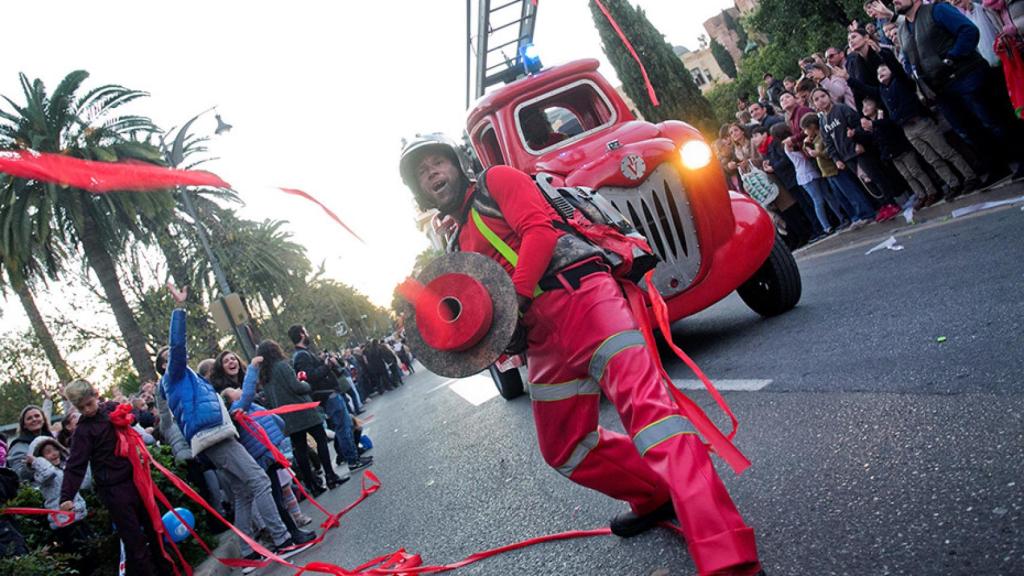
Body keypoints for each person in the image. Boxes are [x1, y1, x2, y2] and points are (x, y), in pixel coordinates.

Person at [398, 134, 764, 576]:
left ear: (459, 165)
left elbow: (539, 230)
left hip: (585, 300)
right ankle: (653, 493)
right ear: (419, 191)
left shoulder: (497, 181)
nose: (434, 172)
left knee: (655, 421)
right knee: (563, 446)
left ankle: (729, 555)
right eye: (423, 172)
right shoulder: (455, 243)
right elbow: (478, 319)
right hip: (542, 338)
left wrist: (514, 297)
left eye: (438, 163)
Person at [156, 284, 305, 562]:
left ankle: (248, 553)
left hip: (218, 437)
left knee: (243, 493)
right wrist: (179, 309)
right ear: (165, 366)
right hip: (214, 438)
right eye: (168, 359)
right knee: (260, 481)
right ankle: (282, 539)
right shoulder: (173, 378)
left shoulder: (191, 379)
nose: (176, 358)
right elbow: (177, 346)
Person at [893, 0, 1024, 180]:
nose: (894, 1)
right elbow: (907, 58)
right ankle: (997, 166)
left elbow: (968, 31)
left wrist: (951, 58)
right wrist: (912, 71)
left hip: (965, 75)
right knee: (969, 130)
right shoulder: (903, 30)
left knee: (993, 120)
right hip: (939, 89)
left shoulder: (937, 10)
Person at [59, 380, 169, 576]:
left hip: (136, 478)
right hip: (113, 489)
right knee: (134, 540)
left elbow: (134, 420)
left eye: (89, 403)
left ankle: (167, 570)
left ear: (96, 395)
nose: (87, 410)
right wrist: (66, 496)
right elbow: (76, 466)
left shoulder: (110, 409)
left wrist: (127, 416)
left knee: (155, 528)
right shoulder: (83, 432)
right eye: (81, 407)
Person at [220, 356, 317, 548]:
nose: (239, 390)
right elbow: (247, 393)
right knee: (275, 497)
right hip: (261, 456)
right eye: (234, 392)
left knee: (280, 493)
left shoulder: (246, 407)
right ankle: (291, 532)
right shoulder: (237, 409)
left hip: (270, 452)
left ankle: (292, 530)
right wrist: (253, 368)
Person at [875, 62, 980, 197]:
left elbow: (898, 70)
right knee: (932, 160)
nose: (880, 74)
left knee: (946, 152)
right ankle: (953, 183)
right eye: (878, 73)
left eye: (884, 69)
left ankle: (969, 176)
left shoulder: (901, 82)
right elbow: (866, 88)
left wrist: (882, 54)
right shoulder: (883, 91)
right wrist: (849, 79)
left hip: (920, 123)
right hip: (907, 129)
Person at [257, 338, 346, 496]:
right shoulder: (282, 366)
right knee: (320, 440)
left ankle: (312, 486)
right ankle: (330, 475)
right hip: (302, 410)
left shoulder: (264, 376)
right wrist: (306, 384)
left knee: (301, 449)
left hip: (287, 417)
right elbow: (296, 387)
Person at [288, 324, 372, 472]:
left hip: (328, 393)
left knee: (346, 425)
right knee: (343, 427)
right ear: (301, 334)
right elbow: (310, 377)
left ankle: (354, 456)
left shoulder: (303, 354)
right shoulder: (301, 356)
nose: (308, 334)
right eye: (306, 331)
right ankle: (353, 460)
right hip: (327, 394)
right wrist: (326, 366)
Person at [812, 87, 900, 220]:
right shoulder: (823, 121)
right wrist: (836, 159)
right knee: (866, 182)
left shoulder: (842, 109)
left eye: (823, 96)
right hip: (846, 156)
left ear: (829, 96)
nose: (821, 100)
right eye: (816, 99)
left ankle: (891, 203)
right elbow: (828, 143)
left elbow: (858, 125)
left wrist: (857, 140)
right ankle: (882, 205)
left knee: (875, 176)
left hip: (859, 150)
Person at [857, 97, 943, 208]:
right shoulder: (869, 124)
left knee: (916, 171)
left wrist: (874, 125)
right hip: (891, 153)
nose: (865, 108)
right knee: (907, 176)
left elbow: (888, 128)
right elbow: (876, 140)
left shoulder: (882, 115)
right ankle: (921, 195)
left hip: (901, 148)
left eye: (868, 105)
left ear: (876, 106)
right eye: (863, 106)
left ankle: (931, 191)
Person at [26, 436, 92, 551]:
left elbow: (85, 484)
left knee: (90, 550)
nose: (53, 454)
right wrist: (36, 461)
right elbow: (48, 472)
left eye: (55, 449)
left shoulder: (65, 468)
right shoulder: (41, 476)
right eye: (47, 452)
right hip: (63, 523)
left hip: (79, 517)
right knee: (77, 556)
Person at [801, 113, 859, 228]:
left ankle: (861, 213)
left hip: (834, 168)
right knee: (841, 196)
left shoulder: (822, 136)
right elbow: (807, 152)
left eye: (806, 129)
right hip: (827, 173)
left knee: (849, 192)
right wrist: (806, 144)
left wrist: (819, 154)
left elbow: (829, 151)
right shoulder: (814, 139)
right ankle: (853, 216)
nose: (805, 132)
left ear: (812, 126)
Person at [779, 123, 837, 235]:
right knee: (818, 200)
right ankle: (826, 226)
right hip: (805, 175)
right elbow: (795, 146)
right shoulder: (788, 147)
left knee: (827, 195)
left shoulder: (798, 144)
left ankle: (840, 217)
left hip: (812, 171)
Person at [7, 405, 55, 482]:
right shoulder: (18, 446)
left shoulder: (52, 440)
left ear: (43, 420)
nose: (34, 419)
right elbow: (19, 475)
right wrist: (32, 465)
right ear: (24, 425)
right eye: (29, 418)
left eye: (37, 416)